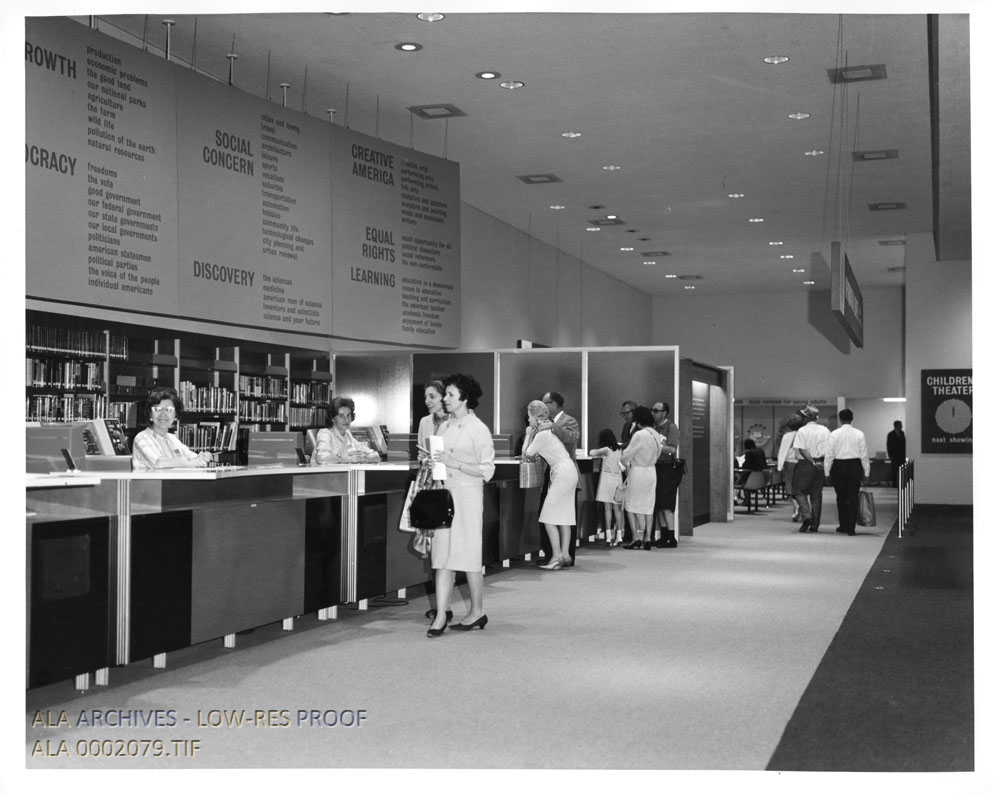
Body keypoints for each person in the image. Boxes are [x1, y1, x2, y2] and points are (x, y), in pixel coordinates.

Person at [426, 373, 496, 638]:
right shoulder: (443, 426)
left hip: (468, 497)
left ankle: (477, 611)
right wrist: (432, 464)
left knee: (468, 555)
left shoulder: (478, 428)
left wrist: (455, 463)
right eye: (446, 394)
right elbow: (440, 462)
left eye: (450, 394)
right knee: (442, 556)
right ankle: (441, 615)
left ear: (465, 398)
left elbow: (487, 470)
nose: (445, 398)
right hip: (445, 495)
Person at [523, 400, 580, 569]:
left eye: (529, 416)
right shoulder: (548, 431)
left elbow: (527, 454)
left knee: (547, 517)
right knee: (565, 516)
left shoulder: (541, 434)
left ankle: (556, 557)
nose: (528, 420)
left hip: (561, 473)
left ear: (535, 417)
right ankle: (565, 555)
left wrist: (528, 435)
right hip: (568, 470)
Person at [132, 387, 214, 471]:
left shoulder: (172, 439)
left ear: (175, 415)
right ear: (150, 414)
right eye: (157, 409)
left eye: (168, 410)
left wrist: (203, 456)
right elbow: (158, 463)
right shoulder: (142, 438)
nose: (163, 414)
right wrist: (190, 462)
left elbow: (192, 457)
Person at [619, 406, 663, 549]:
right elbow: (659, 452)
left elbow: (626, 455)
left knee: (630, 504)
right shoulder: (655, 433)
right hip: (651, 471)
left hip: (638, 472)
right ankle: (648, 538)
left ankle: (635, 538)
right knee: (649, 505)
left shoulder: (639, 435)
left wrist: (625, 463)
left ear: (638, 420)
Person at [824, 408, 870, 536]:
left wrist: (827, 472)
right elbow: (864, 454)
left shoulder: (834, 434)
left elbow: (829, 454)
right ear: (852, 419)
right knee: (853, 497)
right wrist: (866, 472)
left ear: (840, 419)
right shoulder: (859, 434)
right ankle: (851, 527)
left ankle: (843, 525)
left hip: (838, 466)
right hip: (855, 466)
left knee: (841, 497)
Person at [792, 404, 832, 533]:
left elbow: (802, 450)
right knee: (816, 495)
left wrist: (813, 461)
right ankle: (815, 525)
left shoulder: (802, 431)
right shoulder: (825, 430)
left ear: (806, 418)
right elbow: (830, 449)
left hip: (806, 464)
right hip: (821, 464)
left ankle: (806, 516)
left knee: (799, 492)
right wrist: (821, 463)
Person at [310, 396, 381, 465]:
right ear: (332, 418)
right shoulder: (325, 433)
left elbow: (376, 456)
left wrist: (363, 458)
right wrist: (350, 459)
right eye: (341, 416)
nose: (346, 420)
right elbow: (323, 459)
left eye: (348, 415)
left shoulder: (348, 436)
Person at [651, 401, 681, 548]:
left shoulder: (671, 427)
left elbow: (672, 449)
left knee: (667, 504)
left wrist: (656, 447)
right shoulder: (654, 428)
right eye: (652, 410)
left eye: (656, 411)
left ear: (664, 413)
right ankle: (663, 535)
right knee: (659, 504)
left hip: (667, 467)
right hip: (655, 466)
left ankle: (671, 536)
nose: (653, 413)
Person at [589, 428, 626, 546]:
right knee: (617, 509)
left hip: (606, 478)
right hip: (618, 479)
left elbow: (592, 452)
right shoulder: (620, 449)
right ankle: (619, 535)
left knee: (607, 508)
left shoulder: (606, 449)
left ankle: (609, 536)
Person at [776, 413, 805, 521]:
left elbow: (783, 451)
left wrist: (779, 466)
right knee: (800, 486)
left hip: (790, 462)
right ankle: (801, 507)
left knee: (789, 485)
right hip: (802, 462)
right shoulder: (803, 434)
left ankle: (796, 506)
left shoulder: (787, 436)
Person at [416, 377, 448, 455]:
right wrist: (422, 457)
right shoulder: (424, 422)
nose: (426, 401)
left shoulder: (456, 422)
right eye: (425, 397)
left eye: (432, 397)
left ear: (444, 397)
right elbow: (422, 449)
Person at [886, 420, 907, 486]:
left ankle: (901, 483)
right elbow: (889, 445)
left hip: (902, 456)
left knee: (902, 470)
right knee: (894, 470)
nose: (902, 426)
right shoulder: (890, 434)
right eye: (900, 425)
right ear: (897, 426)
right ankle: (894, 484)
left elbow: (904, 444)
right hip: (894, 456)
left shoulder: (902, 433)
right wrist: (890, 455)